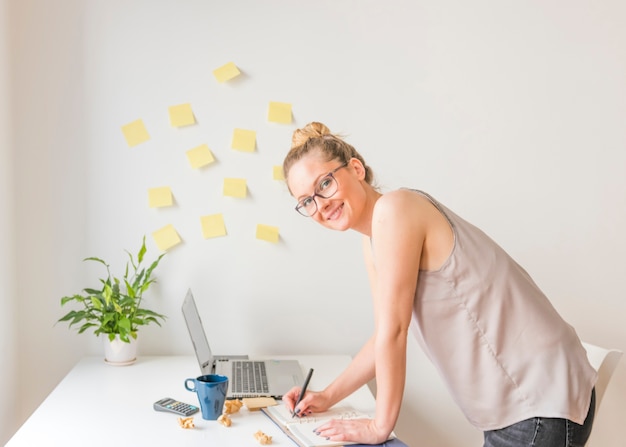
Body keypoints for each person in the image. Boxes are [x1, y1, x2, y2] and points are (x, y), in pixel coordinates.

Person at [281, 122, 597, 447]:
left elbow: (395, 331)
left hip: (539, 403)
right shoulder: (374, 238)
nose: (320, 204)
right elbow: (383, 334)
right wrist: (328, 395)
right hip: (524, 404)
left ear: (356, 169)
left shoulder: (395, 209)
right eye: (307, 201)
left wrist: (380, 426)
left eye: (326, 183)